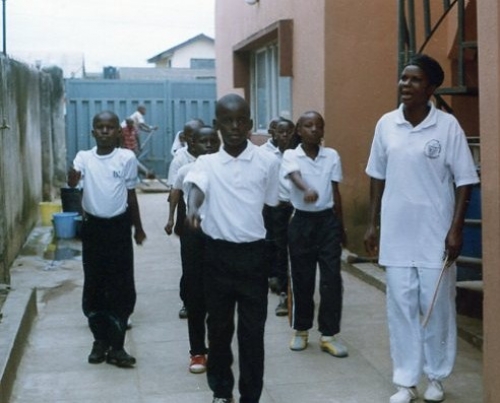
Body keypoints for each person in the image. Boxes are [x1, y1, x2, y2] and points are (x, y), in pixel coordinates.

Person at [364, 54, 480, 403]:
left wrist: (456, 229)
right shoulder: (386, 124)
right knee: (400, 307)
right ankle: (405, 381)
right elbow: (376, 176)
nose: (405, 84)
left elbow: (465, 181)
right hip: (397, 235)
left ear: (431, 88)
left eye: (414, 79)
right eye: (403, 78)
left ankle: (436, 378)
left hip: (435, 235)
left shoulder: (447, 127)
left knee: (437, 307)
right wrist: (372, 224)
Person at [184, 93, 280, 403]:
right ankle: (221, 391)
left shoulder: (267, 161)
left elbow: (271, 203)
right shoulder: (206, 162)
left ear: (250, 124)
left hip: (253, 257)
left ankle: (250, 395)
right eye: (228, 121)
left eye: (241, 121)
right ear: (217, 124)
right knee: (219, 330)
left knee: (252, 334)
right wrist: (193, 209)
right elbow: (197, 188)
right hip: (217, 257)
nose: (235, 127)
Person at [67, 110, 146, 368]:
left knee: (121, 285)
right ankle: (99, 341)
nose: (104, 131)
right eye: (100, 127)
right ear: (93, 132)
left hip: (118, 229)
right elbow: (73, 182)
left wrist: (138, 228)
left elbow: (131, 195)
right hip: (93, 230)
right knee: (95, 284)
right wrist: (72, 177)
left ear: (118, 132)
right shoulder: (84, 157)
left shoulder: (126, 158)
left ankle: (118, 346)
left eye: (110, 127)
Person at [282, 110, 348, 358]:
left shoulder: (331, 156)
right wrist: (307, 189)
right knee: (302, 277)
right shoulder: (291, 155)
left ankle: (329, 335)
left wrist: (341, 226)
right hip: (301, 222)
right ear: (299, 131)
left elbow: (335, 191)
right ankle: (301, 330)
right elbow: (294, 175)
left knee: (332, 279)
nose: (313, 130)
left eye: (318, 126)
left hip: (327, 223)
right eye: (308, 126)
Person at [165, 125, 220, 375]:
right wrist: (172, 219)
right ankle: (197, 351)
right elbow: (176, 194)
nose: (208, 145)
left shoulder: (226, 170)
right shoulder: (185, 170)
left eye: (212, 141)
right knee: (195, 293)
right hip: (195, 234)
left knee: (220, 294)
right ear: (191, 145)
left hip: (220, 235)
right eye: (202, 141)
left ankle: (218, 347)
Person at [166, 118, 205, 319]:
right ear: (186, 138)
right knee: (190, 261)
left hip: (212, 214)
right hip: (186, 207)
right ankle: (188, 301)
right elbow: (174, 191)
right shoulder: (180, 160)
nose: (195, 139)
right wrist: (171, 219)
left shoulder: (214, 156)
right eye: (191, 136)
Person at [261, 117, 296, 316]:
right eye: (281, 132)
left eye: (289, 132)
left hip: (298, 209)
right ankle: (284, 293)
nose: (285, 136)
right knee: (279, 250)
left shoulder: (299, 155)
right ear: (273, 133)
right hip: (277, 209)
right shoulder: (265, 155)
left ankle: (298, 292)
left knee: (299, 252)